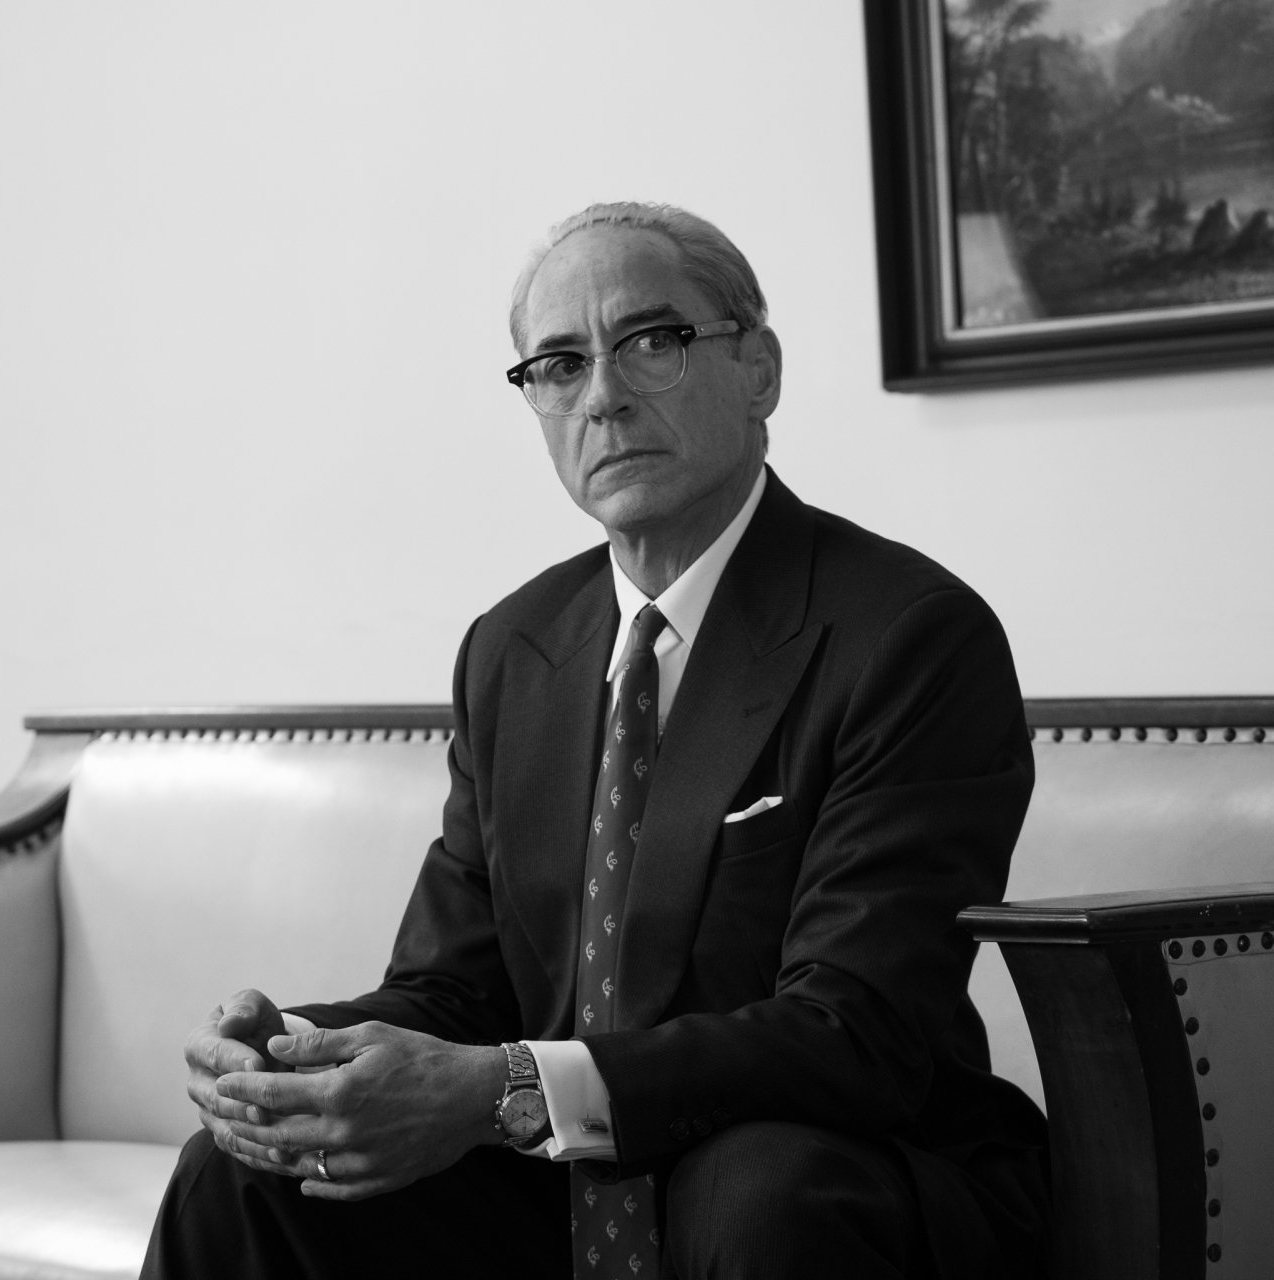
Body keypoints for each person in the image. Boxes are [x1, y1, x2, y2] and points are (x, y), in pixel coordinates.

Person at [139, 202, 1048, 1280]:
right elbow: (454, 994)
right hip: (567, 1180)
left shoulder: (909, 635)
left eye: (652, 342)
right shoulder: (513, 649)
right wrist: (295, 1054)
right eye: (561, 365)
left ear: (759, 370)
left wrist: (511, 1087)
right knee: (242, 1171)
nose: (604, 396)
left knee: (755, 1191)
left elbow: (856, 1032)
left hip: (837, 1168)